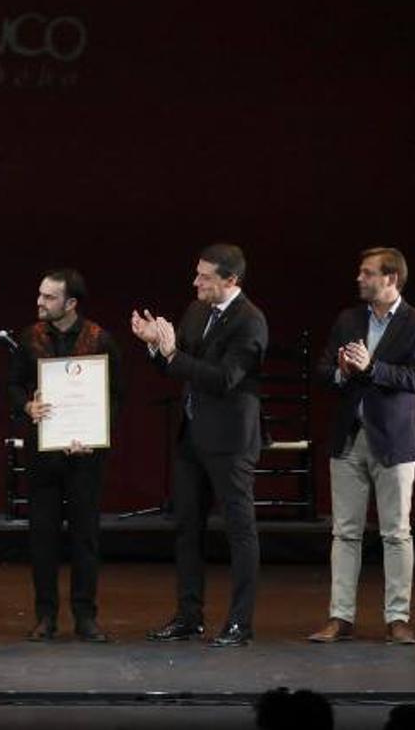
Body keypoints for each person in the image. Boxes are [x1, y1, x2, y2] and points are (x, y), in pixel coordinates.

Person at [131, 242, 268, 647]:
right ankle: (189, 616)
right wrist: (155, 345)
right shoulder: (196, 311)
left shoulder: (250, 322)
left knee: (240, 531)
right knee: (187, 527)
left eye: (205, 277)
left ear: (231, 280)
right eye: (197, 273)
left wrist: (172, 355)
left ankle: (241, 622)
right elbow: (179, 365)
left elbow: (224, 379)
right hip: (192, 435)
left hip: (230, 440)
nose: (196, 282)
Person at [307, 248, 415, 646]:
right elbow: (323, 370)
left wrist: (371, 368)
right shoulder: (349, 319)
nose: (359, 279)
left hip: (394, 443)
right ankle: (340, 617)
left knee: (396, 533)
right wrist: (343, 373)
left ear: (391, 279)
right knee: (345, 531)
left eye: (367, 273)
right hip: (350, 437)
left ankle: (397, 618)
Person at [6, 268, 122, 642]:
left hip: (86, 456)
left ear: (71, 303)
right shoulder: (30, 338)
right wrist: (27, 407)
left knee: (85, 537)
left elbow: (116, 397)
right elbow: (13, 385)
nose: (39, 302)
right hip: (45, 454)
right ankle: (45, 616)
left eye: (48, 297)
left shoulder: (100, 339)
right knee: (42, 538)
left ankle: (86, 616)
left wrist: (96, 433)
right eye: (40, 295)